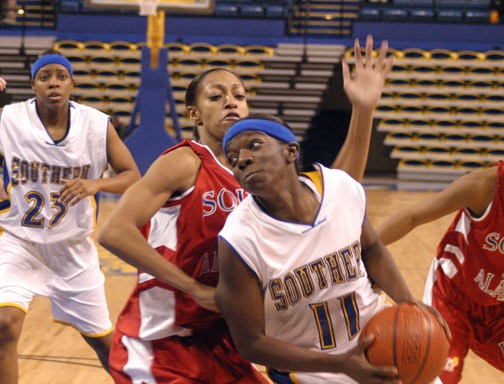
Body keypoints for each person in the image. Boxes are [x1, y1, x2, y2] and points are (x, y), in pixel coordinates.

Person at [97, 35, 394, 383]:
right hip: (162, 340)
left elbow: (340, 189)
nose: (230, 102)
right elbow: (114, 231)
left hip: (225, 339)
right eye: (216, 96)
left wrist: (362, 110)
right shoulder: (184, 161)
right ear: (194, 113)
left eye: (239, 95)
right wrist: (193, 288)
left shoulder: (255, 172)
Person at [215, 114, 449, 384]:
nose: (241, 160)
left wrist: (408, 301)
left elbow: (371, 247)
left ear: (290, 151)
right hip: (314, 371)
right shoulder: (239, 239)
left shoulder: (341, 188)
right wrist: (341, 365)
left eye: (254, 145)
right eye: (232, 159)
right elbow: (251, 343)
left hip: (382, 340)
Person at [0, 50, 140, 384]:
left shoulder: (95, 124)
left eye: (61, 77)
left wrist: (96, 183)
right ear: (33, 84)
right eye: (45, 77)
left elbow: (132, 174)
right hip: (20, 243)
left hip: (72, 249)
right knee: (4, 326)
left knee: (104, 343)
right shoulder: (9, 118)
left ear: (71, 83)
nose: (53, 83)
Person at [377, 163, 504, 383]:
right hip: (452, 296)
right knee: (438, 377)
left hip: (498, 311)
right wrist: (357, 254)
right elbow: (412, 216)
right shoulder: (484, 186)